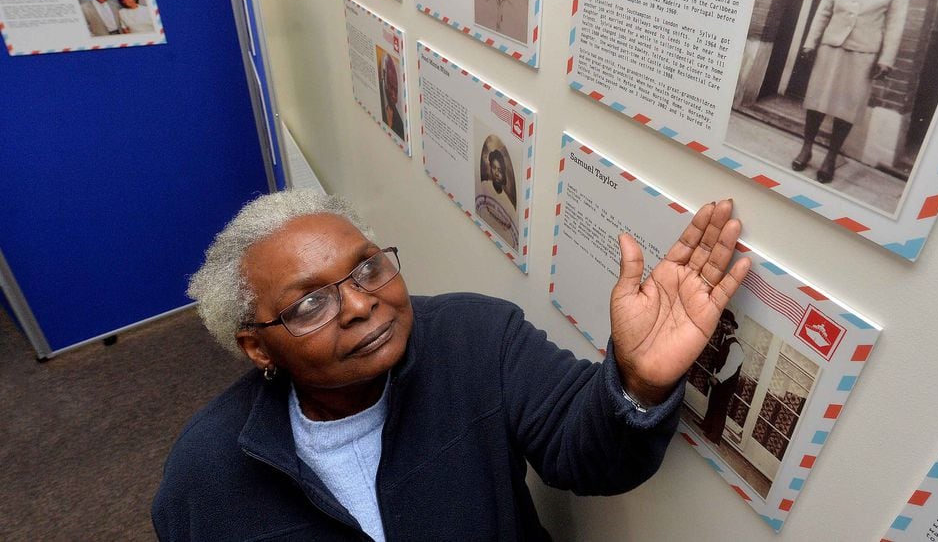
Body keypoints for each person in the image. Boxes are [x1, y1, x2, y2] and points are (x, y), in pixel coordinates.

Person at [153, 191, 749, 540]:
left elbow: (588, 456)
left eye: (367, 269)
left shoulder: (477, 336)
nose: (362, 304)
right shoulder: (204, 476)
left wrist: (639, 379)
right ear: (257, 347)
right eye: (311, 304)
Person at [791, 0, 909, 184]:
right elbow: (823, 12)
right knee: (816, 101)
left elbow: (895, 25)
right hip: (831, 47)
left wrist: (886, 59)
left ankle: (831, 157)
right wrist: (810, 43)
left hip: (863, 53)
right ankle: (806, 148)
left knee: (847, 107)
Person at [699, 309, 744, 446]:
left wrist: (718, 378)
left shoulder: (735, 345)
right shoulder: (726, 343)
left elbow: (731, 366)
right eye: (722, 323)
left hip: (727, 383)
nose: (723, 326)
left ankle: (715, 436)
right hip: (721, 382)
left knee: (720, 408)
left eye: (726, 323)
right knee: (713, 403)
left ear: (731, 326)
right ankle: (707, 426)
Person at [475, 142, 519, 249]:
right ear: (490, 167)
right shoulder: (484, 185)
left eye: (499, 170)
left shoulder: (509, 206)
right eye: (494, 168)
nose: (496, 173)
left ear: (504, 173)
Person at [377, 52, 404, 139]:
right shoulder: (380, 104)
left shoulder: (400, 123)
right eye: (391, 87)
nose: (393, 94)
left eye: (395, 89)